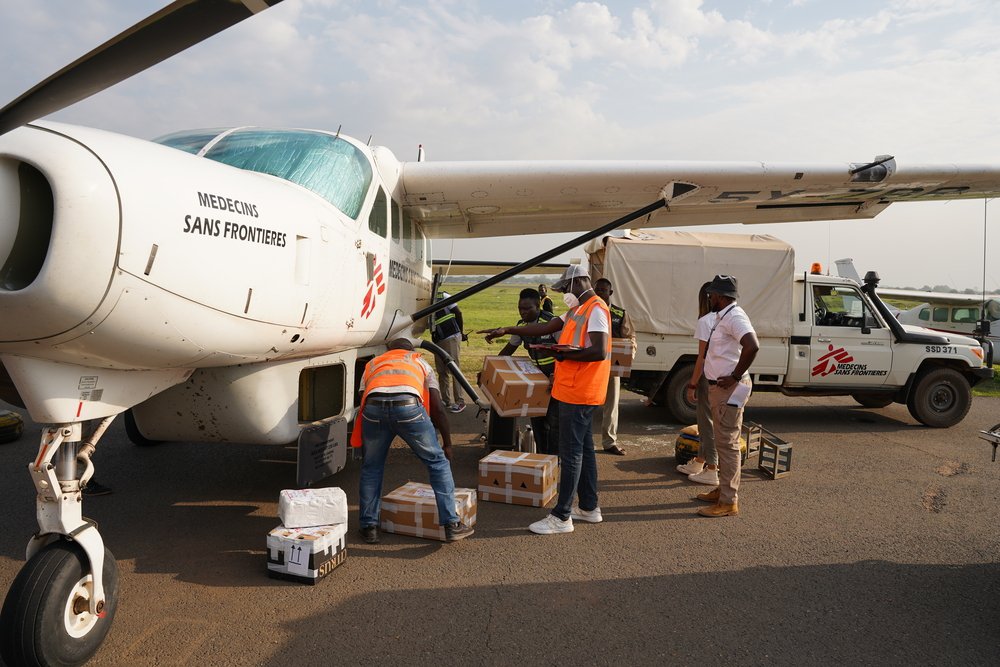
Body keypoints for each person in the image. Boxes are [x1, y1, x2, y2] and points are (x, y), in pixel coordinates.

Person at [481, 265, 611, 535]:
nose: (564, 293)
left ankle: (562, 516)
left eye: (565, 288)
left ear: (577, 283)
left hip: (580, 391)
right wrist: (506, 329)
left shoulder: (596, 309)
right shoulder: (577, 310)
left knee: (571, 453)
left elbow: (599, 351)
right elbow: (546, 326)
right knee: (584, 450)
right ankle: (589, 507)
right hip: (574, 390)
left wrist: (565, 356)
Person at [351, 339, 474, 543]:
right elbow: (437, 407)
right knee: (437, 463)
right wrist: (448, 443)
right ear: (411, 350)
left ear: (388, 351)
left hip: (374, 409)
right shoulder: (420, 362)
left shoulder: (373, 364)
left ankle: (369, 527)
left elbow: (364, 396)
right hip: (408, 408)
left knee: (371, 468)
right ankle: (451, 524)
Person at [695, 275, 759, 518]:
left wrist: (734, 375)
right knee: (723, 441)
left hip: (728, 388)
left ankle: (728, 501)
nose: (709, 297)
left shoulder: (735, 317)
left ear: (721, 296)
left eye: (711, 294)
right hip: (722, 388)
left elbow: (752, 345)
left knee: (728, 444)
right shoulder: (723, 316)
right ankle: (723, 490)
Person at [496, 288, 559, 454]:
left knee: (554, 422)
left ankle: (555, 460)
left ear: (538, 306)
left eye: (527, 309)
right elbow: (509, 350)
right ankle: (542, 457)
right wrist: (491, 368)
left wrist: (556, 375)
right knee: (537, 421)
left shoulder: (552, 323)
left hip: (556, 379)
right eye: (520, 308)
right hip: (537, 381)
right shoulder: (521, 326)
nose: (523, 312)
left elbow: (565, 352)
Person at [677, 282, 719, 485]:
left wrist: (692, 384)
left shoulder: (707, 320)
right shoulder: (728, 317)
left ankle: (712, 468)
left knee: (706, 424)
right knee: (709, 422)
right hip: (726, 377)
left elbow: (701, 358)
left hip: (709, 377)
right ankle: (700, 462)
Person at [593, 278, 634, 456]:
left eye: (603, 290)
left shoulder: (619, 314)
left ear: (610, 293)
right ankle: (583, 441)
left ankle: (609, 442)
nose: (600, 293)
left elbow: (630, 338)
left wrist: (627, 356)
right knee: (587, 404)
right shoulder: (589, 311)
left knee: (611, 405)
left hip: (612, 367)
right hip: (591, 365)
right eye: (597, 290)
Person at [430, 292, 468, 413]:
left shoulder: (443, 296)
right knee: (442, 371)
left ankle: (460, 401)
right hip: (438, 339)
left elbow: (458, 312)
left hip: (451, 336)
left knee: (454, 369)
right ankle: (446, 400)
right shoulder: (424, 299)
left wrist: (461, 334)